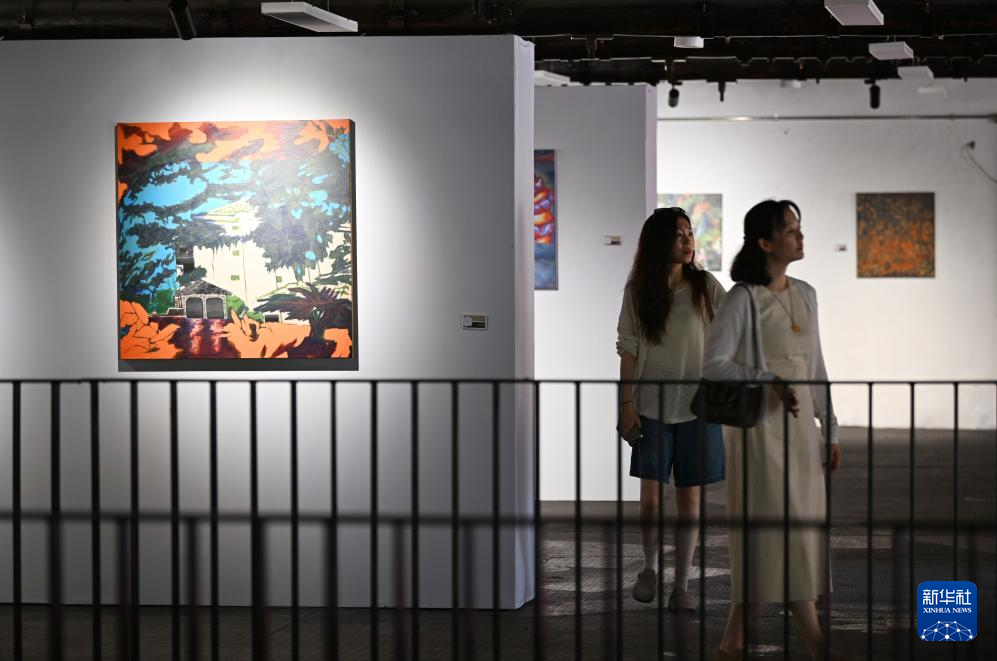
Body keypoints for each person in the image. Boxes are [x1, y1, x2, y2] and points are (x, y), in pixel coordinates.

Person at [702, 200, 842, 660]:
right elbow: (714, 363)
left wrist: (830, 427)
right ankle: (819, 647)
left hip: (800, 433)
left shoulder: (806, 293)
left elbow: (815, 365)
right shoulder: (743, 298)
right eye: (790, 230)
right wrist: (768, 381)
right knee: (778, 531)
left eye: (799, 228)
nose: (800, 237)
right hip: (758, 434)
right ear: (765, 242)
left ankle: (732, 641)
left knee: (792, 531)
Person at [616, 206, 726, 609]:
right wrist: (626, 403)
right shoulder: (638, 291)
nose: (687, 240)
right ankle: (649, 567)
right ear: (659, 241)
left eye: (689, 233)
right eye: (678, 234)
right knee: (650, 499)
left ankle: (681, 586)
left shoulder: (705, 286)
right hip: (651, 406)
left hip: (699, 408)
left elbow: (734, 325)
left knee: (689, 501)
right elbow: (628, 350)